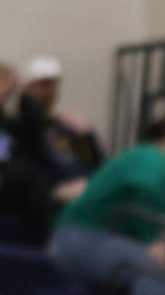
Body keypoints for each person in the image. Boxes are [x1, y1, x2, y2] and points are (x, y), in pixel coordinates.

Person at [50, 118, 165, 295]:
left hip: (83, 238)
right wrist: (152, 239)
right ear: (157, 142)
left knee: (147, 272)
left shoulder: (139, 163)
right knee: (153, 273)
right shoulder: (150, 156)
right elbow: (147, 186)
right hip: (82, 238)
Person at [12, 56, 102, 204]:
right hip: (46, 200)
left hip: (81, 195)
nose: (48, 91)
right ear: (27, 88)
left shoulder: (65, 125)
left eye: (52, 85)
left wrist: (87, 136)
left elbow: (92, 161)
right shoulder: (19, 126)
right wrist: (53, 191)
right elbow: (21, 170)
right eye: (42, 85)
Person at [0, 62, 54, 242]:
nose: (7, 92)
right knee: (25, 175)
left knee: (31, 170)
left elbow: (31, 135)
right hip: (11, 176)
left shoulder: (8, 122)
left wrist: (26, 97)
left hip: (11, 178)